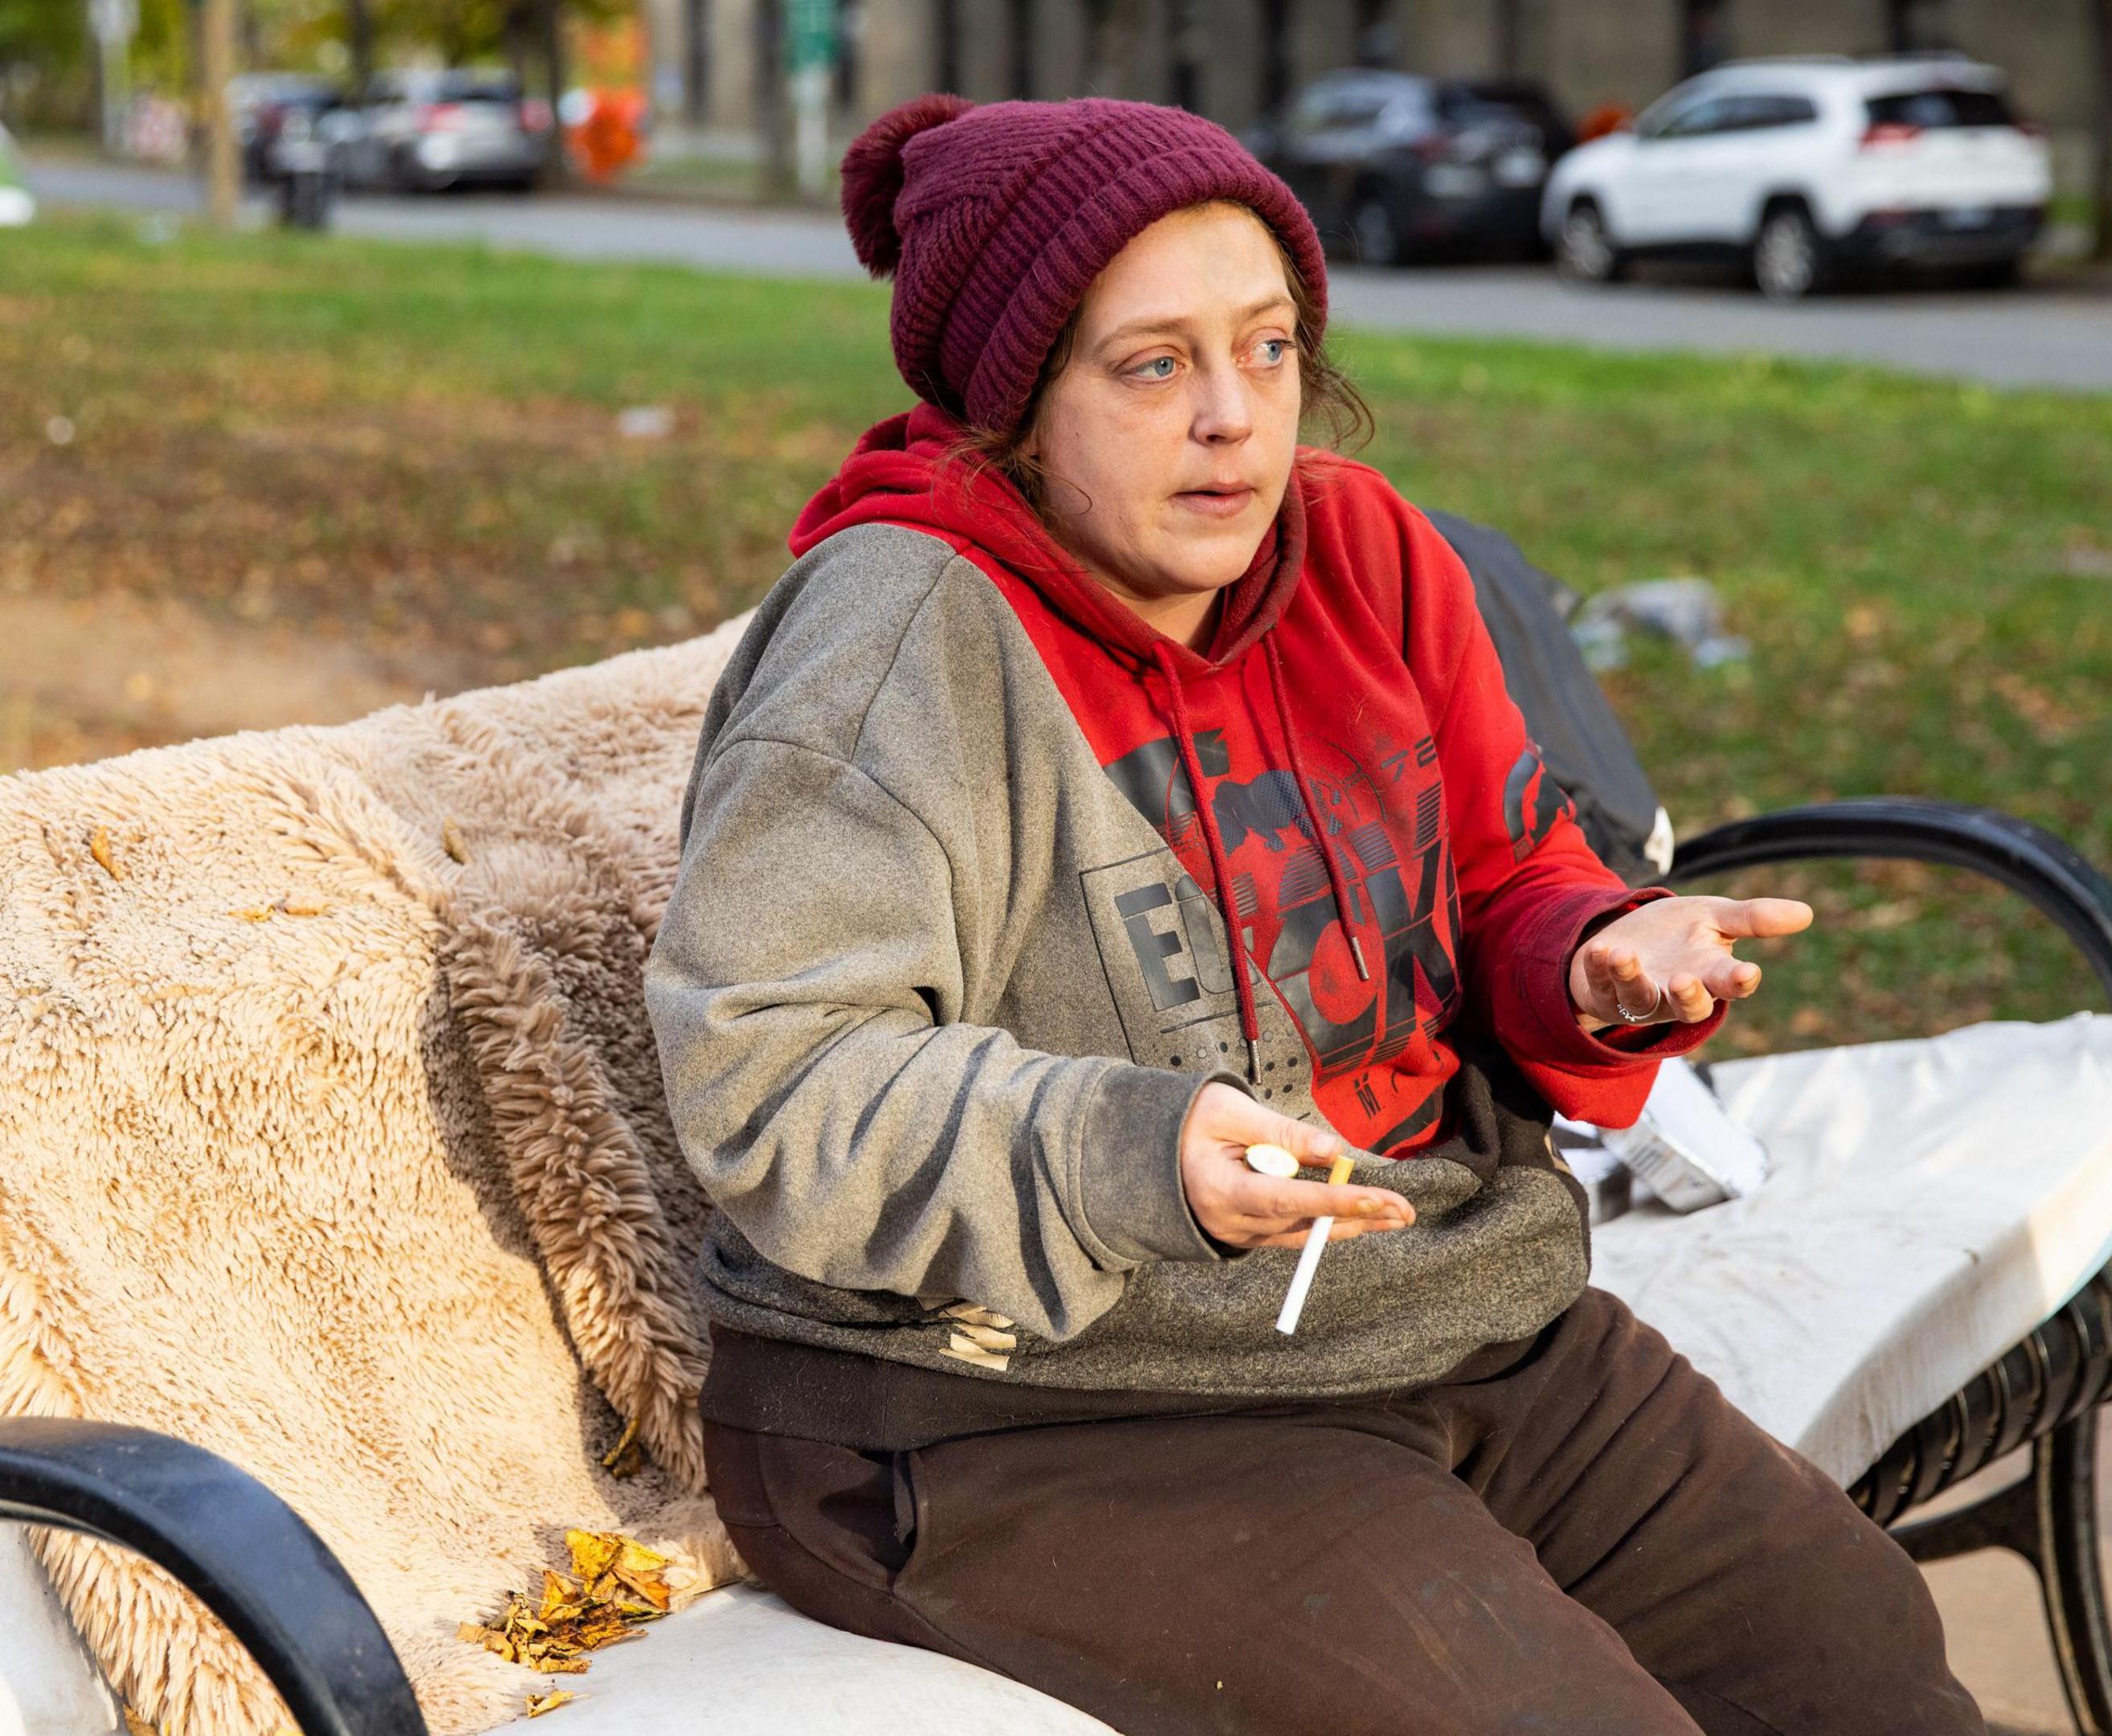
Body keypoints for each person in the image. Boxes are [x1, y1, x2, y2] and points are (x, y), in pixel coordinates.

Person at [644, 94, 1985, 1736]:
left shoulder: (1364, 549)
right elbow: (772, 1072)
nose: (1233, 421)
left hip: (1429, 1310)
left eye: (1268, 349)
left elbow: (1504, 869)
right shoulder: (900, 636)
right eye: (1153, 367)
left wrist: (1594, 960)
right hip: (1014, 1411)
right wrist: (1136, 1149)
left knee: (1853, 1649)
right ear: (1016, 407)